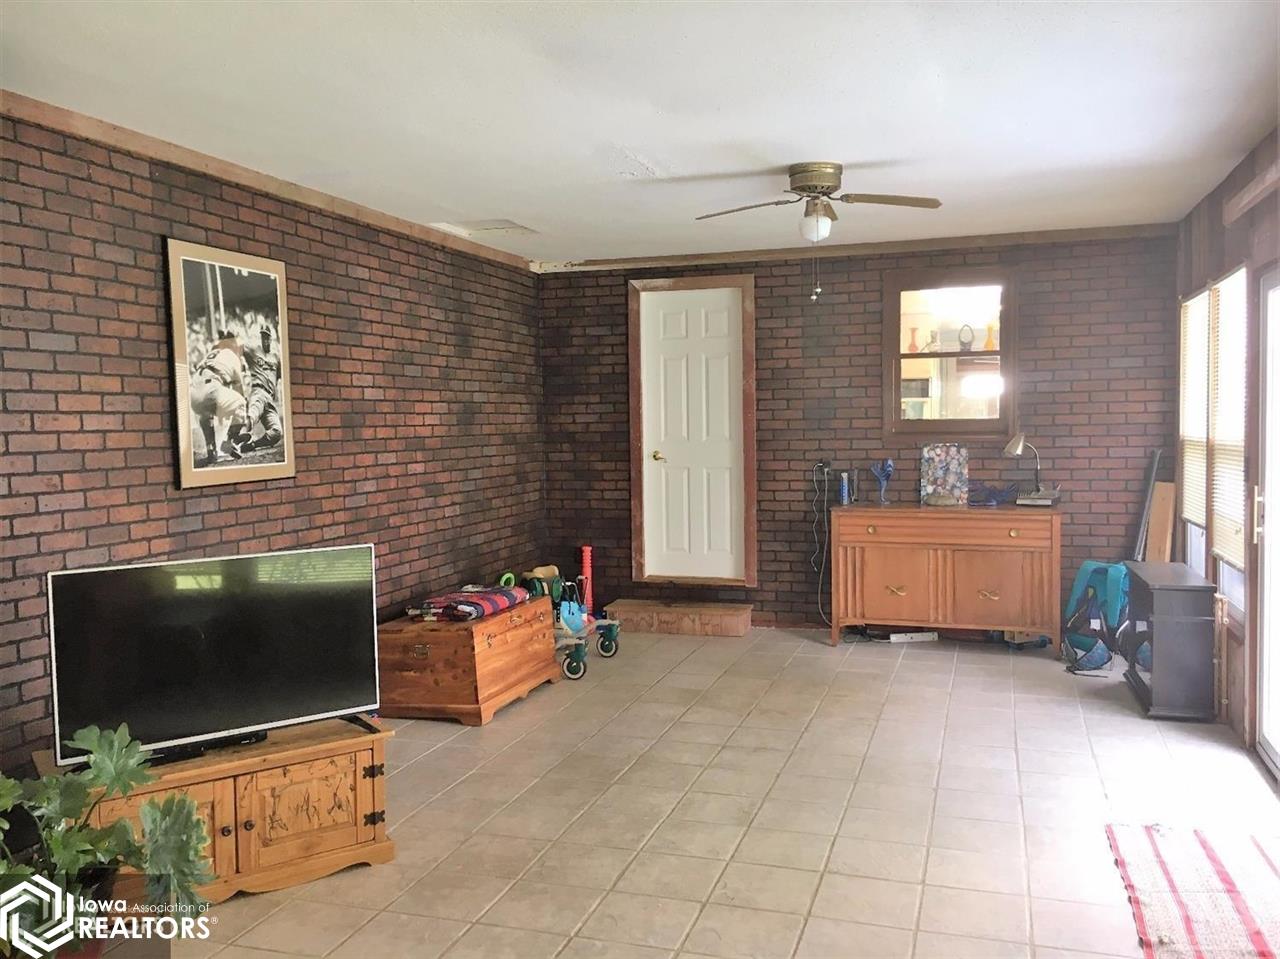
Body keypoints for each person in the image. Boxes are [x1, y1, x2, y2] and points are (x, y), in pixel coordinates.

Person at [189, 332, 248, 468]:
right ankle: (230, 441)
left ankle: (211, 449)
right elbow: (239, 387)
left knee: (205, 412)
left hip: (193, 392)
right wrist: (241, 418)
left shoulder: (212, 354)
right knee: (241, 403)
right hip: (211, 388)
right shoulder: (231, 355)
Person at [228, 323, 284, 455]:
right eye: (263, 336)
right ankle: (236, 442)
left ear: (271, 339)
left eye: (267, 337)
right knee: (252, 416)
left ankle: (252, 445)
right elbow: (239, 345)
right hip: (258, 392)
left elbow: (281, 375)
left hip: (269, 399)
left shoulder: (276, 357)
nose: (265, 340)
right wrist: (233, 335)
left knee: (277, 432)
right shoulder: (254, 350)